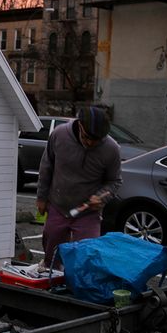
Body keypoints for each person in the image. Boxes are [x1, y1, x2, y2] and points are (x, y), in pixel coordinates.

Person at [35, 106, 122, 269]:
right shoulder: (59, 135)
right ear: (80, 124)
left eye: (97, 140)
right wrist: (41, 197)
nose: (90, 143)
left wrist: (102, 197)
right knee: (51, 249)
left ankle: (80, 284)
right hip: (58, 204)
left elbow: (114, 181)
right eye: (87, 137)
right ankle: (49, 272)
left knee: (88, 254)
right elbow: (46, 166)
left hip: (88, 211)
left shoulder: (111, 149)